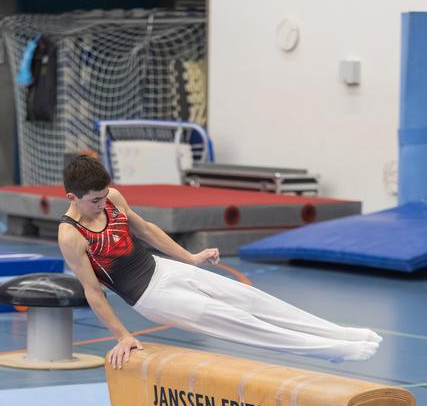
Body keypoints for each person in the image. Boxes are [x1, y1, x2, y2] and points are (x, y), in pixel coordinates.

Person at [58, 154, 381, 370]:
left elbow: (146, 230)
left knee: (251, 299)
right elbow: (93, 291)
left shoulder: (112, 198)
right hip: (150, 297)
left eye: (104, 196)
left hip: (165, 270)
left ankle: (339, 334)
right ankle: (330, 351)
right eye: (94, 200)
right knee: (236, 321)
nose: (102, 204)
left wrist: (189, 258)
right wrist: (122, 335)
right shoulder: (71, 235)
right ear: (72, 197)